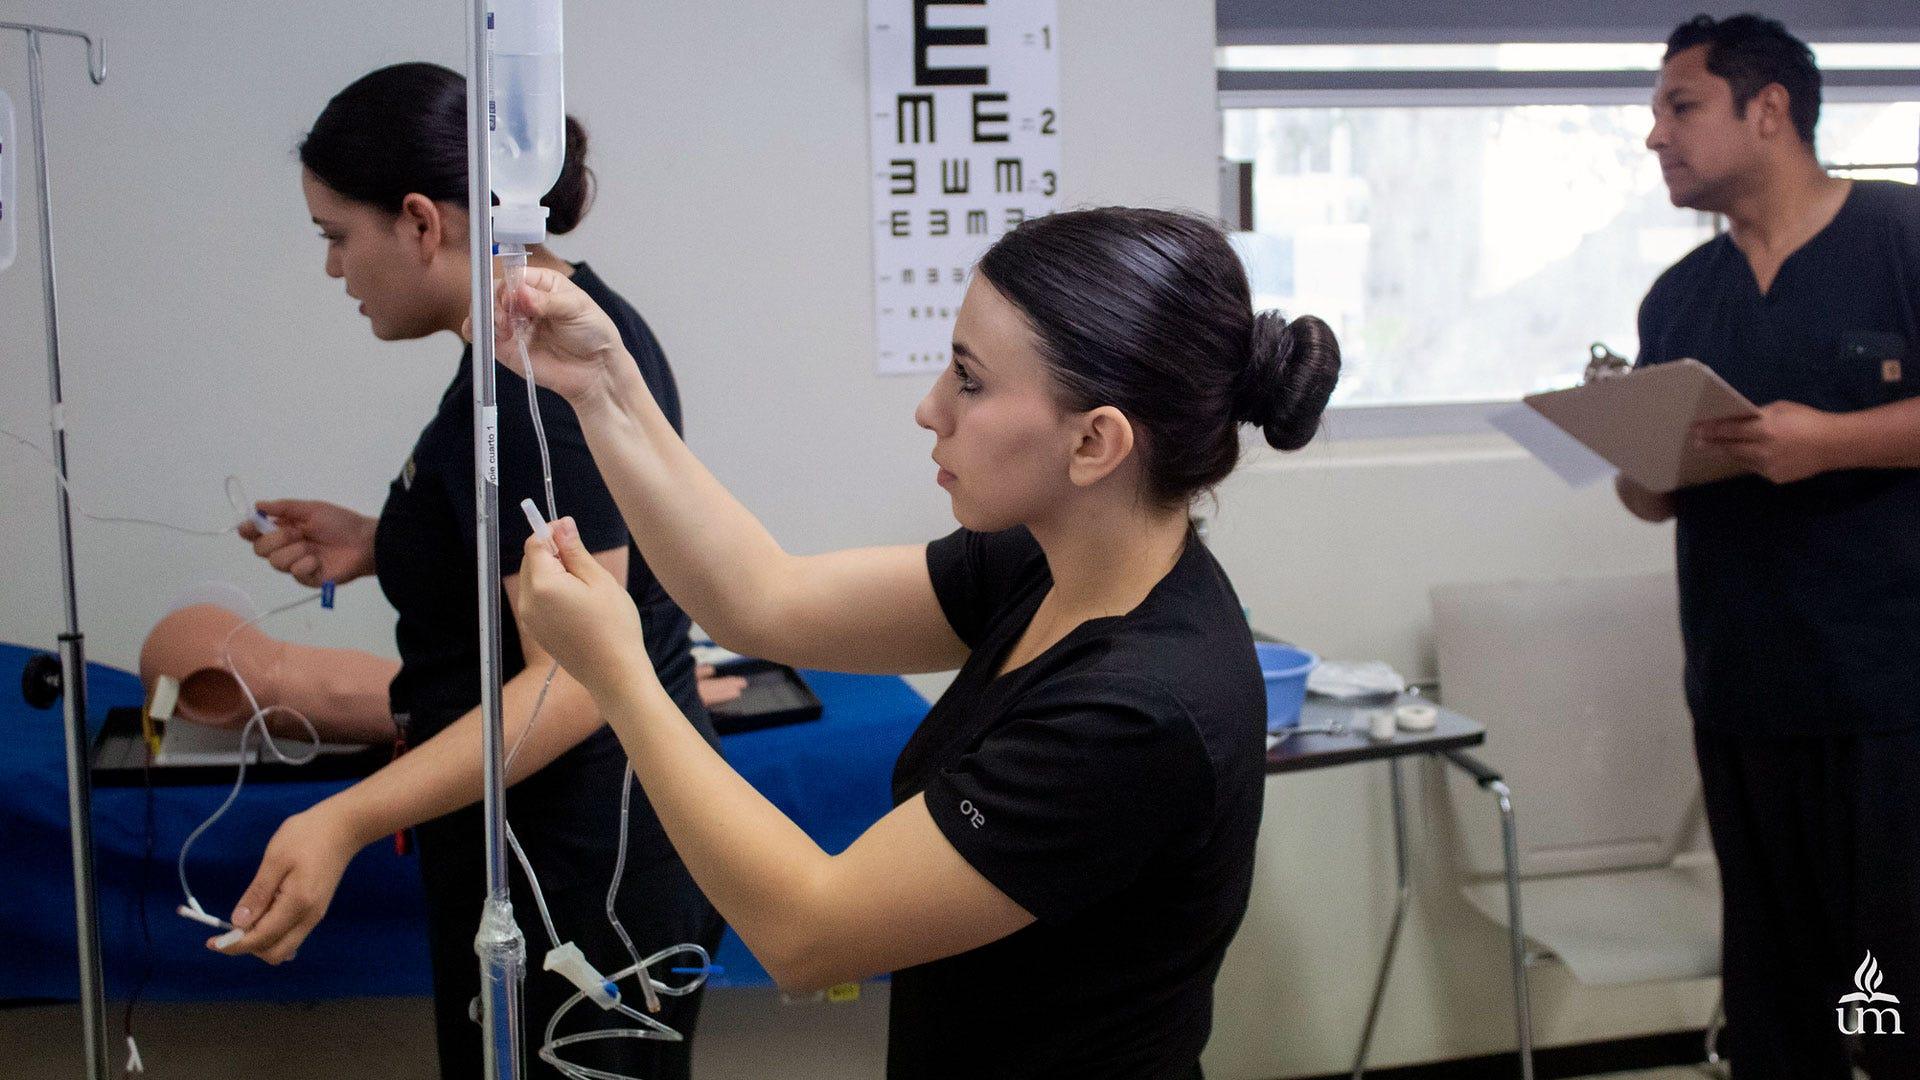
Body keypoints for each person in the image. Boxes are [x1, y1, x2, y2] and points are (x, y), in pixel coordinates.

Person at [492, 206, 1340, 1078]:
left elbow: (809, 932)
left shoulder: (1139, 712)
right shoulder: (1051, 560)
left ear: (1095, 441)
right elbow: (764, 598)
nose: (929, 408)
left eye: (970, 382)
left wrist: (618, 677)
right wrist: (603, 383)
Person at [222, 62, 725, 1080]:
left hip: (584, 871)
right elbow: (529, 542)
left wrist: (344, 819)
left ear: (418, 222)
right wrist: (386, 542)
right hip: (544, 850)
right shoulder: (530, 336)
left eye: (335, 235)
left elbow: (578, 677)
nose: (332, 270)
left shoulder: (531, 370)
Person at [1619, 15, 1920, 1078]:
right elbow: (1651, 501)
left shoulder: (1899, 237)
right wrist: (1634, 454)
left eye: (1680, 106)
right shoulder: (1680, 300)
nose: (1655, 134)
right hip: (1745, 694)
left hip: (1891, 699)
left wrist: (1831, 441)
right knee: (1778, 1004)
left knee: (1884, 999)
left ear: (1771, 110)